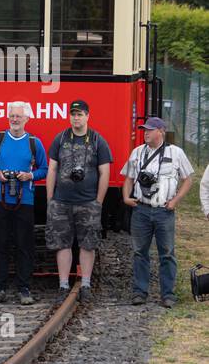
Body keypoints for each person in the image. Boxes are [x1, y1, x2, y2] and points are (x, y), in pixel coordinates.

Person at [120, 117, 194, 308]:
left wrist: (175, 200)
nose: (146, 133)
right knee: (139, 252)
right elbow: (128, 178)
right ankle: (139, 292)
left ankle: (168, 295)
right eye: (144, 130)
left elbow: (188, 179)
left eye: (150, 130)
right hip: (141, 210)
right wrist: (126, 197)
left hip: (164, 211)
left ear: (161, 131)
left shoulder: (175, 153)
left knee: (167, 254)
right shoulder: (137, 152)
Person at [45, 100, 112, 302]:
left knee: (88, 244)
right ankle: (63, 286)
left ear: (87, 116)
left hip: (88, 202)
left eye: (80, 114)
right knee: (62, 244)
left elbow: (105, 172)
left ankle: (86, 284)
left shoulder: (98, 140)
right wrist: (50, 199)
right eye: (73, 114)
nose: (76, 118)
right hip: (61, 202)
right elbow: (52, 169)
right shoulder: (61, 138)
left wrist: (98, 201)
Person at [0, 102, 48, 305]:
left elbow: (44, 169)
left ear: (27, 119)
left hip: (25, 201)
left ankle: (24, 288)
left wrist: (29, 175)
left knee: (24, 245)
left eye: (18, 116)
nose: (14, 119)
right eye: (12, 115)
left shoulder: (34, 143)